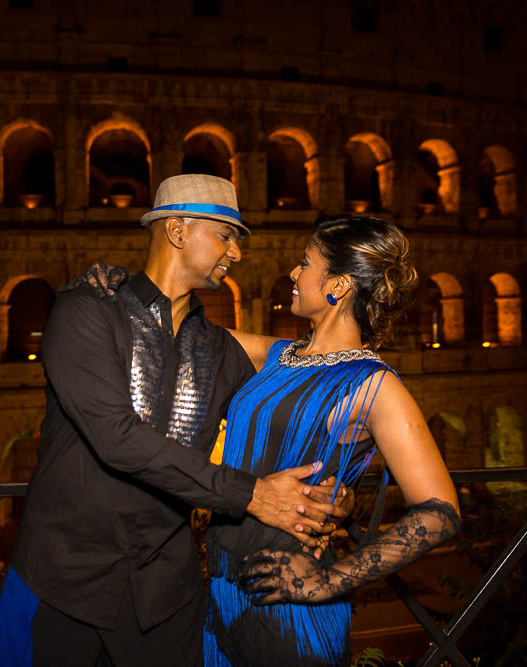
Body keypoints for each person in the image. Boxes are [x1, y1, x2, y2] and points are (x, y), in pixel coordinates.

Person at [0, 174, 349, 667]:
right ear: (177, 231)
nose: (236, 253)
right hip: (62, 589)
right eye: (226, 236)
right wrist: (257, 496)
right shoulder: (86, 311)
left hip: (164, 603)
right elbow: (116, 438)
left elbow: (309, 377)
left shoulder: (221, 349)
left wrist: (330, 487)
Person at [203, 215, 462, 667]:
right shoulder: (277, 355)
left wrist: (329, 580)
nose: (293, 274)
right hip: (218, 594)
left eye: (304, 263)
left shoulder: (372, 384)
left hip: (287, 608)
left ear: (339, 286)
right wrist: (120, 291)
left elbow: (440, 513)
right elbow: (187, 334)